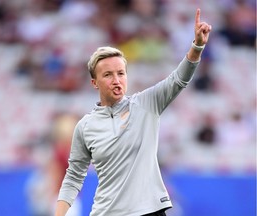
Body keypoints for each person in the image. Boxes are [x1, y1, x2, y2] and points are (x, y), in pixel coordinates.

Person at [55, 8, 211, 216]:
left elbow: (179, 79)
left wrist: (197, 46)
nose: (116, 80)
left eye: (121, 73)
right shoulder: (85, 126)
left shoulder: (146, 104)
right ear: (95, 83)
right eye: (108, 75)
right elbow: (74, 177)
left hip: (150, 211)